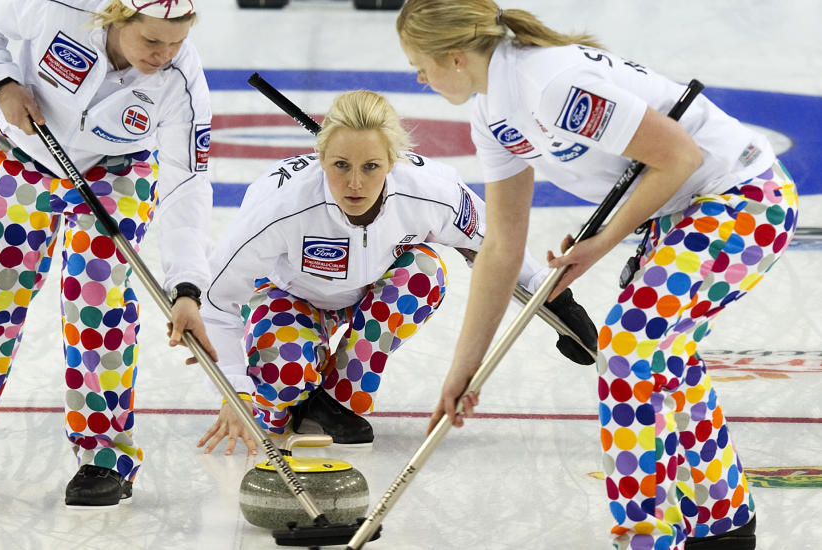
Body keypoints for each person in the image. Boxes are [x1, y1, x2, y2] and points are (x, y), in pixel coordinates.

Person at [397, 1, 798, 549]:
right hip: (682, 210)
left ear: (455, 56)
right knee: (662, 354)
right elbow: (501, 245)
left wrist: (603, 242)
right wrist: (463, 371)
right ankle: (721, 521)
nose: (420, 79)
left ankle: (645, 536)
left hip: (743, 198)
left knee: (629, 345)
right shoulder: (493, 113)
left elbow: (679, 155)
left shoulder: (549, 85)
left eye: (420, 65)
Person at [0, 0, 218, 508]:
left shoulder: (182, 79)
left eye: (177, 42)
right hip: (21, 157)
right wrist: (1, 82)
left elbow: (188, 183)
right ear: (118, 17)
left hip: (115, 173)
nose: (164, 54)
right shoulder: (58, 9)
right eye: (152, 41)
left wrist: (186, 287)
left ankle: (105, 456)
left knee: (98, 307)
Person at [190, 89, 598, 455]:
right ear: (320, 158)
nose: (354, 183)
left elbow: (495, 244)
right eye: (340, 165)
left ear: (393, 160)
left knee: (423, 272)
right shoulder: (280, 207)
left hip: (371, 296)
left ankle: (334, 400)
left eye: (371, 166)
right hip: (288, 295)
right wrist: (235, 392)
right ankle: (295, 393)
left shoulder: (429, 191)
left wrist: (558, 303)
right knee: (278, 396)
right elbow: (216, 305)